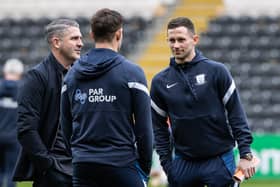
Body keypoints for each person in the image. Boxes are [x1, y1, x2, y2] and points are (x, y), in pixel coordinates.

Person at [150, 17, 256, 187]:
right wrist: (168, 166)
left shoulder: (217, 71)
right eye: (172, 40)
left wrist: (245, 154)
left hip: (219, 159)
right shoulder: (159, 82)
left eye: (181, 40)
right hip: (183, 162)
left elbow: (236, 113)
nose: (176, 45)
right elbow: (158, 128)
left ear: (195, 39)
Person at [60, 8, 153, 187]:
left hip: (83, 165)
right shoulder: (132, 73)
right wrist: (145, 167)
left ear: (91, 34)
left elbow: (65, 124)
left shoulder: (71, 75)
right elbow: (144, 127)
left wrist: (77, 155)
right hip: (122, 164)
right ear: (119, 34)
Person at [13, 19, 83, 187]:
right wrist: (48, 165)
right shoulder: (36, 78)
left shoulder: (83, 74)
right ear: (56, 42)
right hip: (54, 172)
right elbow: (26, 129)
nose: (81, 43)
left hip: (81, 168)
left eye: (80, 38)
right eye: (74, 38)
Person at [0, 58, 24, 187]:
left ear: (5, 71)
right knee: (11, 172)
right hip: (14, 138)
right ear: (20, 73)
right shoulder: (24, 90)